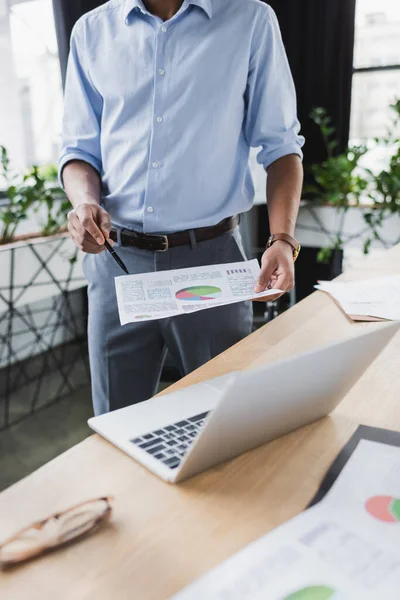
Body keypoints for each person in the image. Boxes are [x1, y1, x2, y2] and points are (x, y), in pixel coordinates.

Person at [59, 0, 304, 416]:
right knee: (116, 421)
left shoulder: (249, 20)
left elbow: (281, 147)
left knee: (224, 420)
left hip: (210, 262)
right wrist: (84, 202)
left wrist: (282, 239)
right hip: (116, 262)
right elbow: (80, 150)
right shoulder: (91, 31)